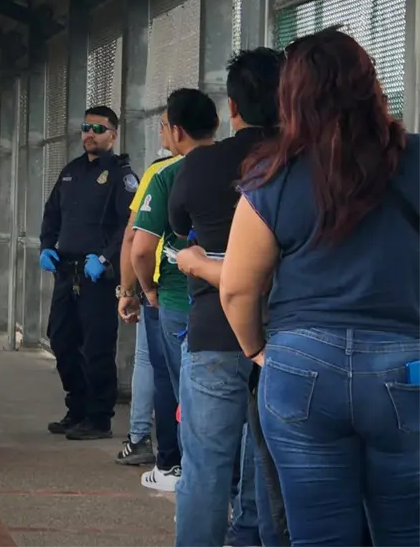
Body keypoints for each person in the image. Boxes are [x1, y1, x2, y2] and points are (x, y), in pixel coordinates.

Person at [220, 29, 420, 547]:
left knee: (318, 535)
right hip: (407, 365)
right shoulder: (415, 160)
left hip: (299, 365)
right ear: (371, 84)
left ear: (292, 97)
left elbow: (239, 289)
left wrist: (259, 352)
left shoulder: (271, 176)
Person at [167, 48, 285, 547]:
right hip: (284, 333)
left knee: (206, 465)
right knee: (270, 458)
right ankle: (252, 537)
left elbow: (177, 225)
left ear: (231, 108)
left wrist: (198, 259)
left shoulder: (202, 163)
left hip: (215, 329)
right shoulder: (301, 160)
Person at [131, 88, 219, 493]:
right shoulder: (243, 167)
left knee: (180, 387)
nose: (163, 133)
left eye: (164, 125)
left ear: (178, 131)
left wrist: (145, 289)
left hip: (175, 300)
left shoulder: (167, 175)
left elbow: (142, 247)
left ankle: (180, 470)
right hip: (234, 297)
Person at [40, 106, 140, 440]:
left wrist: (107, 258)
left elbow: (129, 224)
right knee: (61, 339)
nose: (90, 134)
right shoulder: (70, 172)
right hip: (67, 272)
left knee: (97, 347)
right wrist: (46, 245)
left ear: (113, 134)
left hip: (97, 274)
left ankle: (99, 417)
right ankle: (77, 406)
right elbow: (52, 212)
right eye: (86, 127)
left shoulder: (121, 175)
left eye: (98, 128)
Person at [115, 132, 181, 467]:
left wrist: (131, 290)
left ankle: (150, 444)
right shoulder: (232, 166)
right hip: (216, 289)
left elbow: (134, 238)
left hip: (160, 288)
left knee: (158, 369)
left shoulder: (160, 172)